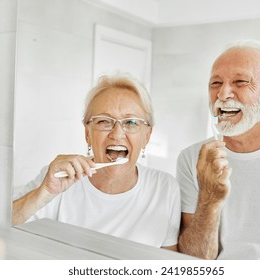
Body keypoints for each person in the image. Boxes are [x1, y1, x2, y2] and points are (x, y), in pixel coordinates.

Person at [177, 40, 260, 259]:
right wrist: (209, 199)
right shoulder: (191, 158)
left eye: (240, 82)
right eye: (215, 83)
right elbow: (195, 261)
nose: (223, 94)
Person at [13, 73, 181, 251]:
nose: (117, 134)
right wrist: (43, 193)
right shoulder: (57, 178)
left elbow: (168, 263)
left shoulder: (165, 188)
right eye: (104, 121)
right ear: (87, 134)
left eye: (131, 122)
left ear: (146, 136)